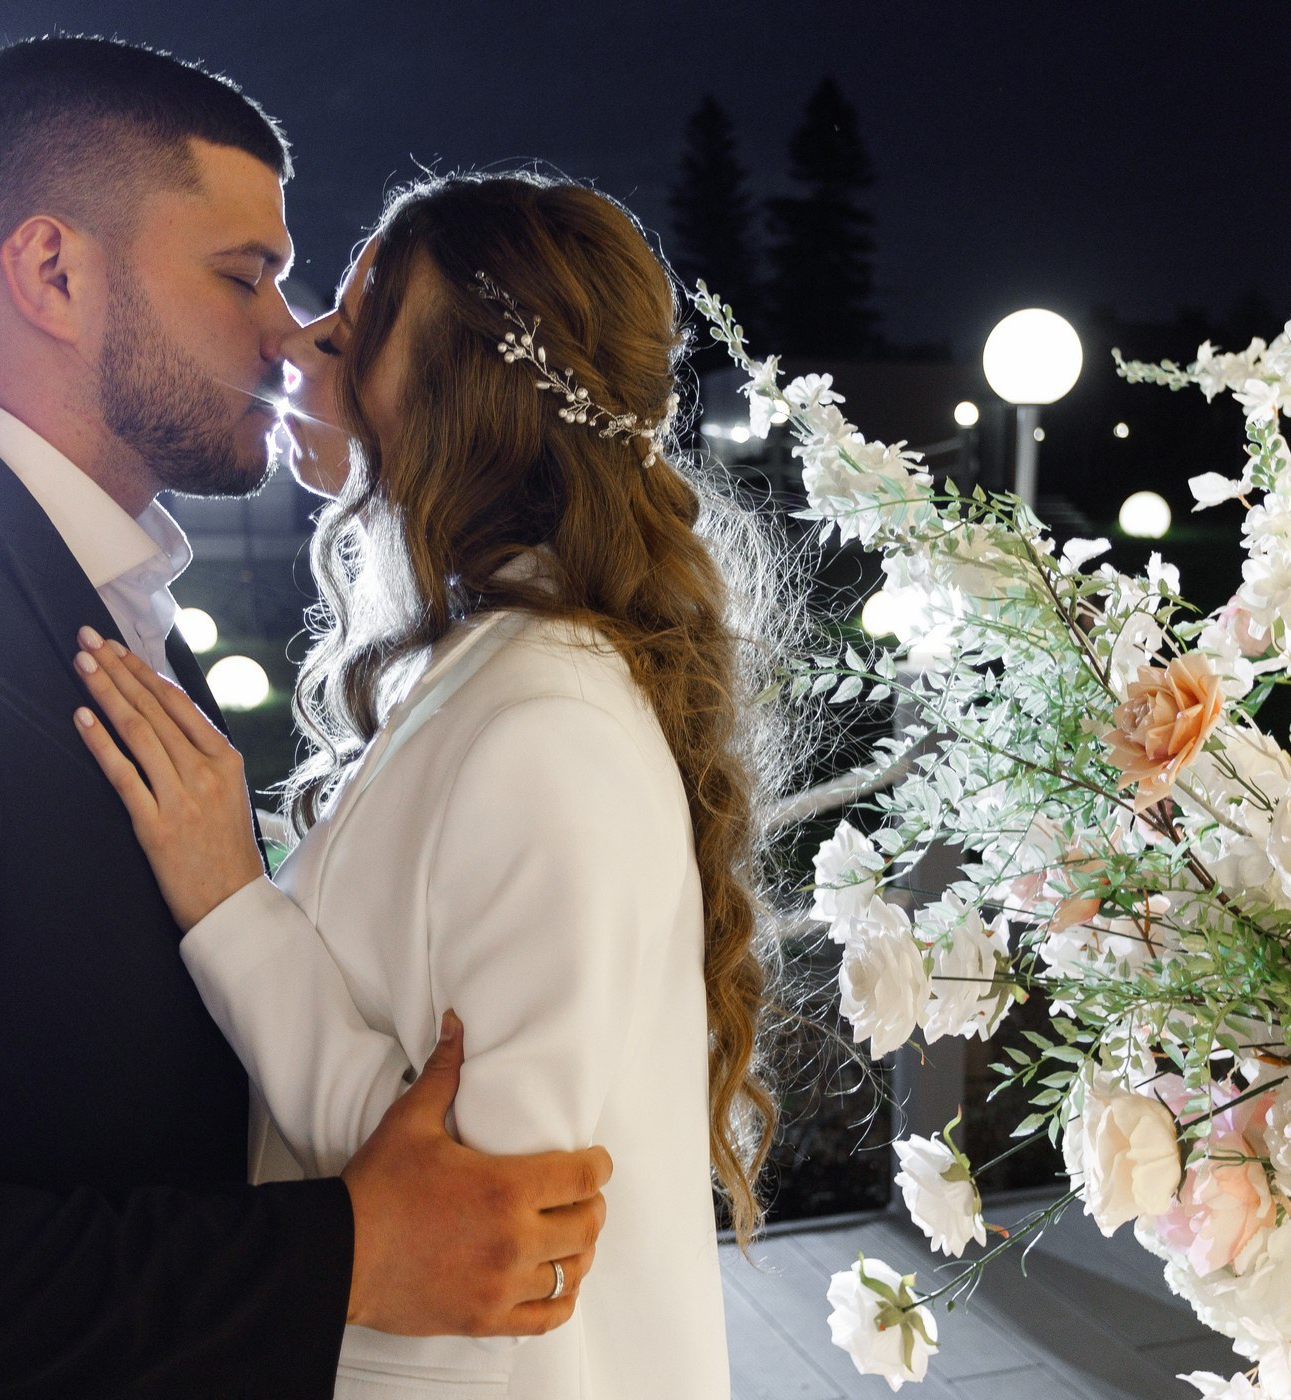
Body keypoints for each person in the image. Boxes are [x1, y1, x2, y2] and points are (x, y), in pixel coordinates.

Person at [0, 40, 610, 1400]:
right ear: (53, 273)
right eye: (242, 274)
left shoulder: (110, 598)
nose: (288, 333)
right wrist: (337, 1256)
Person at [69, 172, 800, 1398]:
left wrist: (230, 906)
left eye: (351, 332)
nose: (294, 342)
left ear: (470, 390)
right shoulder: (490, 665)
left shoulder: (545, 721)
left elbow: (493, 1219)